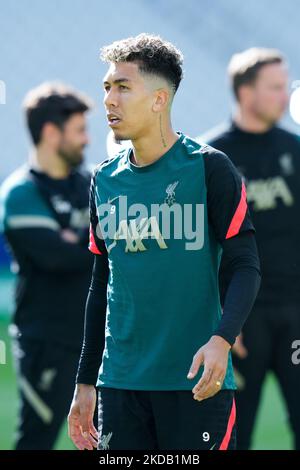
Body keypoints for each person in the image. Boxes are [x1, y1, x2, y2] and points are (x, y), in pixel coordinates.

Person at [67, 34, 261, 451]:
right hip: (120, 384)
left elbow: (245, 265)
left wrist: (222, 339)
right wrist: (86, 380)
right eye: (106, 87)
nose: (109, 100)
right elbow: (102, 282)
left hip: (195, 382)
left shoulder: (211, 169)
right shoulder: (103, 179)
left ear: (159, 100)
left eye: (122, 87)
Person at [206, 48, 300, 450]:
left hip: (297, 315)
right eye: (276, 87)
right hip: (243, 321)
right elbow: (202, 248)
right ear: (246, 93)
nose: (286, 96)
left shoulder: (296, 150)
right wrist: (223, 322)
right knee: (232, 435)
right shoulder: (211, 158)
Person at [0, 82, 94, 449]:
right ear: (51, 133)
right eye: (79, 131)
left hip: (97, 340)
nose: (87, 140)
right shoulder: (21, 193)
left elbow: (110, 244)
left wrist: (79, 240)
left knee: (110, 443)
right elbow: (58, 258)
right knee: (36, 441)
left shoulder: (91, 184)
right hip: (45, 341)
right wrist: (96, 240)